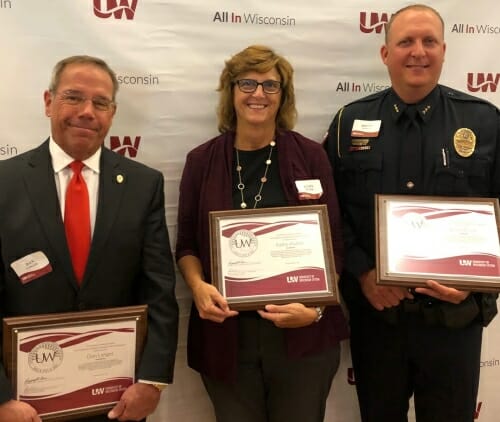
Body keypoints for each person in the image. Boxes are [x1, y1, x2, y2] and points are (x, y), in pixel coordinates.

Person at [323, 4, 499, 422]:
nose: (417, 51)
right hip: (379, 319)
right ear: (386, 54)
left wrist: (475, 284)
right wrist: (365, 273)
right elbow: (331, 213)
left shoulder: (485, 122)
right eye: (405, 41)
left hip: (454, 321)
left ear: (444, 50)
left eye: (428, 41)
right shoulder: (350, 121)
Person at [0, 55, 179, 422]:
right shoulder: (4, 183)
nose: (86, 111)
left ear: (112, 113)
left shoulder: (143, 185)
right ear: (49, 102)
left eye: (100, 102)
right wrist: (1, 399)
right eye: (73, 97)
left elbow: (158, 291)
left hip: (115, 402)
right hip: (24, 406)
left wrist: (151, 381)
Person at [176, 45, 348, 422]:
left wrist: (316, 308)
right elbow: (186, 244)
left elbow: (334, 243)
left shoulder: (311, 156)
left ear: (283, 95)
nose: (258, 94)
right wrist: (197, 286)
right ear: (231, 91)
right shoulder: (201, 161)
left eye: (271, 85)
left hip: (302, 336)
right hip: (227, 338)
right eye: (248, 83)